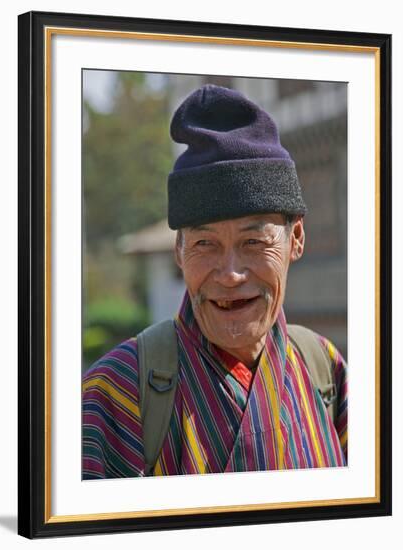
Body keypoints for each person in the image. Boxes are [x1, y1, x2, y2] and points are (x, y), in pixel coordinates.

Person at [82, 84, 347, 479]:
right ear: (179, 251)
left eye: (253, 242)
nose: (230, 274)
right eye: (205, 244)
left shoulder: (323, 369)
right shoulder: (116, 392)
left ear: (296, 240)